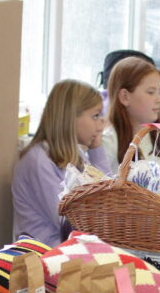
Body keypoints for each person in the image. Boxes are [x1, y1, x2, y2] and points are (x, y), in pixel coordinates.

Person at [12, 79, 111, 246]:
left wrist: (96, 149)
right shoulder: (38, 160)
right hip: (45, 253)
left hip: (72, 247)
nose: (101, 123)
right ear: (70, 118)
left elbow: (107, 193)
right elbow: (68, 221)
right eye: (95, 116)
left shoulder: (75, 154)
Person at [102, 56, 160, 169]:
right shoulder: (108, 143)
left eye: (159, 92)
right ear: (125, 97)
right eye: (151, 92)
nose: (159, 99)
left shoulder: (157, 136)